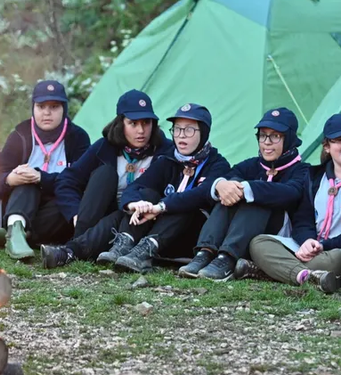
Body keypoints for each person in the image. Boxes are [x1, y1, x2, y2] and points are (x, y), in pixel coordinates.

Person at [40, 89, 173, 269]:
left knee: (140, 198)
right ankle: (79, 242)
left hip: (140, 220)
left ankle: (71, 252)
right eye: (133, 123)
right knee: (104, 175)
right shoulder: (104, 147)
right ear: (121, 123)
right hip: (99, 215)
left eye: (146, 123)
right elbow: (67, 180)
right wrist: (74, 213)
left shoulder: (165, 152)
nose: (141, 130)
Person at [94, 104, 230, 274]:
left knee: (185, 203)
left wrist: (161, 207)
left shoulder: (218, 164)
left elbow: (201, 195)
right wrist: (135, 205)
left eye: (189, 130)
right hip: (159, 235)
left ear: (204, 132)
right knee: (146, 194)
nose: (181, 135)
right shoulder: (167, 159)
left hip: (190, 239)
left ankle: (146, 251)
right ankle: (124, 243)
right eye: (177, 129)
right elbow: (137, 186)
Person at [177, 107, 308, 281]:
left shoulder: (302, 170)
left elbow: (291, 193)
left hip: (278, 238)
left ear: (289, 138)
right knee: (229, 193)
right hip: (246, 232)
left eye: (275, 136)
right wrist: (222, 185)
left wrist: (248, 189)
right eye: (262, 135)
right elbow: (226, 179)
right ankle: (205, 252)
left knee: (256, 198)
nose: (267, 142)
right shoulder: (251, 165)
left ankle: (228, 258)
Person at [0, 81, 90, 259]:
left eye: (54, 107)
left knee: (66, 201)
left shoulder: (78, 138)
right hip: (19, 203)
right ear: (33, 108)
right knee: (26, 180)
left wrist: (42, 178)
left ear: (64, 109)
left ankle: (13, 236)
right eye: (41, 106)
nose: (47, 112)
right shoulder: (19, 135)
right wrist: (9, 179)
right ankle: (16, 229)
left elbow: (82, 181)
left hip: (54, 210)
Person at [243, 113, 341, 293]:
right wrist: (307, 241)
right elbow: (302, 218)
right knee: (259, 242)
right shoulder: (313, 177)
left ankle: (270, 271)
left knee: (335, 258)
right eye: (339, 140)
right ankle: (308, 276)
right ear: (327, 146)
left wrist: (324, 246)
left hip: (333, 251)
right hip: (310, 248)